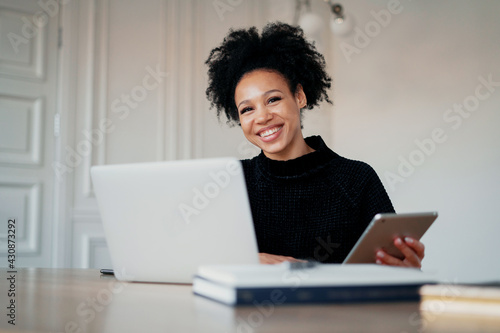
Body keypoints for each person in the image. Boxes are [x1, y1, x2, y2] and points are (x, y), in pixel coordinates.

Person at [205, 22, 425, 268]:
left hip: (338, 307)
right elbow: (198, 259)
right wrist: (246, 260)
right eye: (247, 109)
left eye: (273, 99)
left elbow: (390, 268)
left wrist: (407, 271)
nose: (262, 117)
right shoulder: (232, 181)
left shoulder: (356, 179)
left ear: (299, 96)